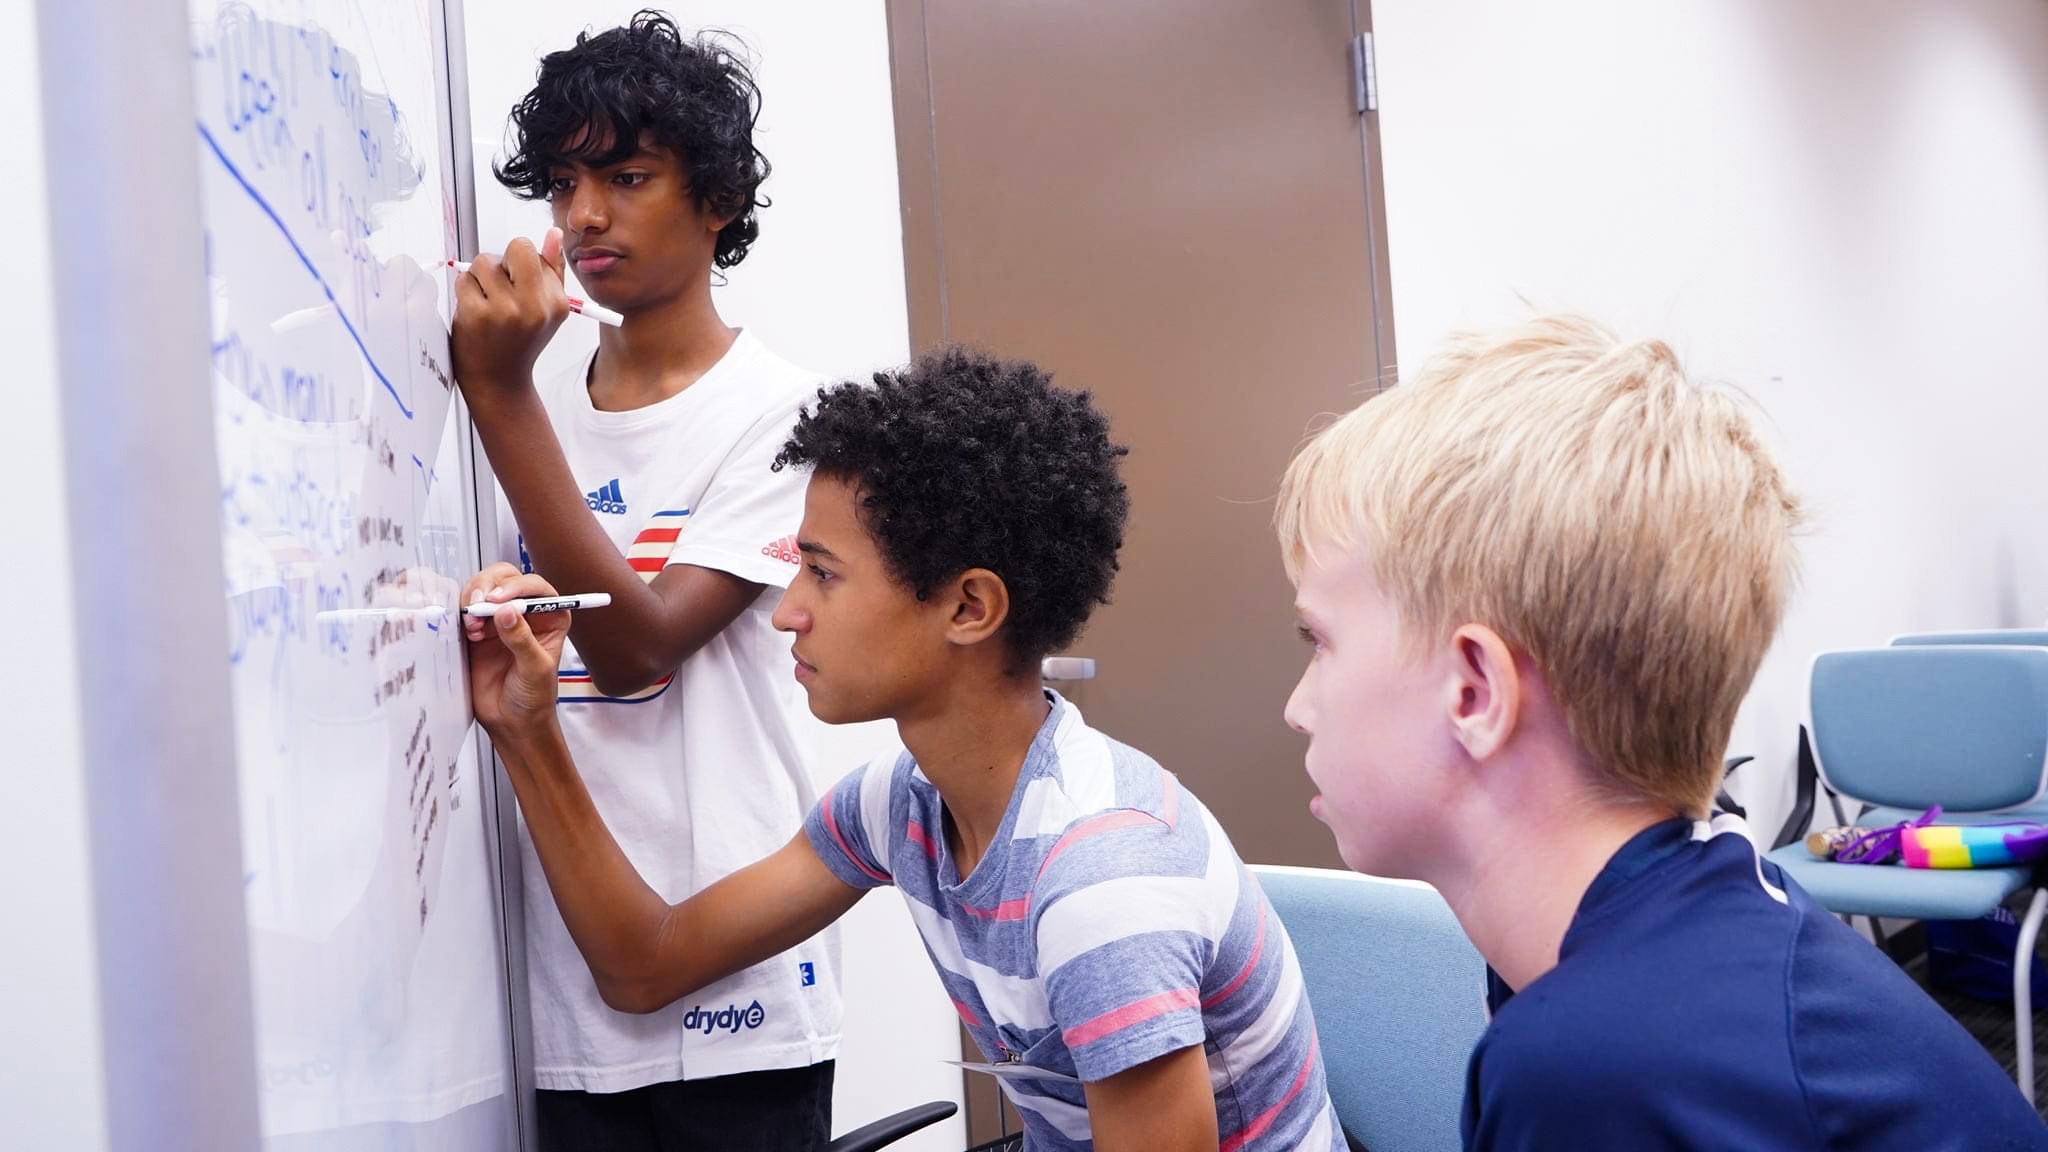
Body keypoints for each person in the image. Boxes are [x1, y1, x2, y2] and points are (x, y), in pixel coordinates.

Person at [465, 347, 1344, 1151]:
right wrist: (526, 726)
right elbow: (645, 964)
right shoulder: (903, 806)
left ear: (968, 609)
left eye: (823, 572)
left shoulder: (1100, 885)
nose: (786, 611)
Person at [1274, 313, 2048, 1149]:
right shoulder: (1686, 926)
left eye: (1319, 642)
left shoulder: (1599, 1066)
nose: (1298, 706)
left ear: (1474, 690)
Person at [450, 13, 836, 1148]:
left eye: (626, 175)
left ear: (715, 200)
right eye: (564, 182)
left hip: (731, 984)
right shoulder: (536, 391)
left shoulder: (781, 413)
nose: (582, 216)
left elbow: (632, 651)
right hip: (554, 991)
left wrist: (499, 398)